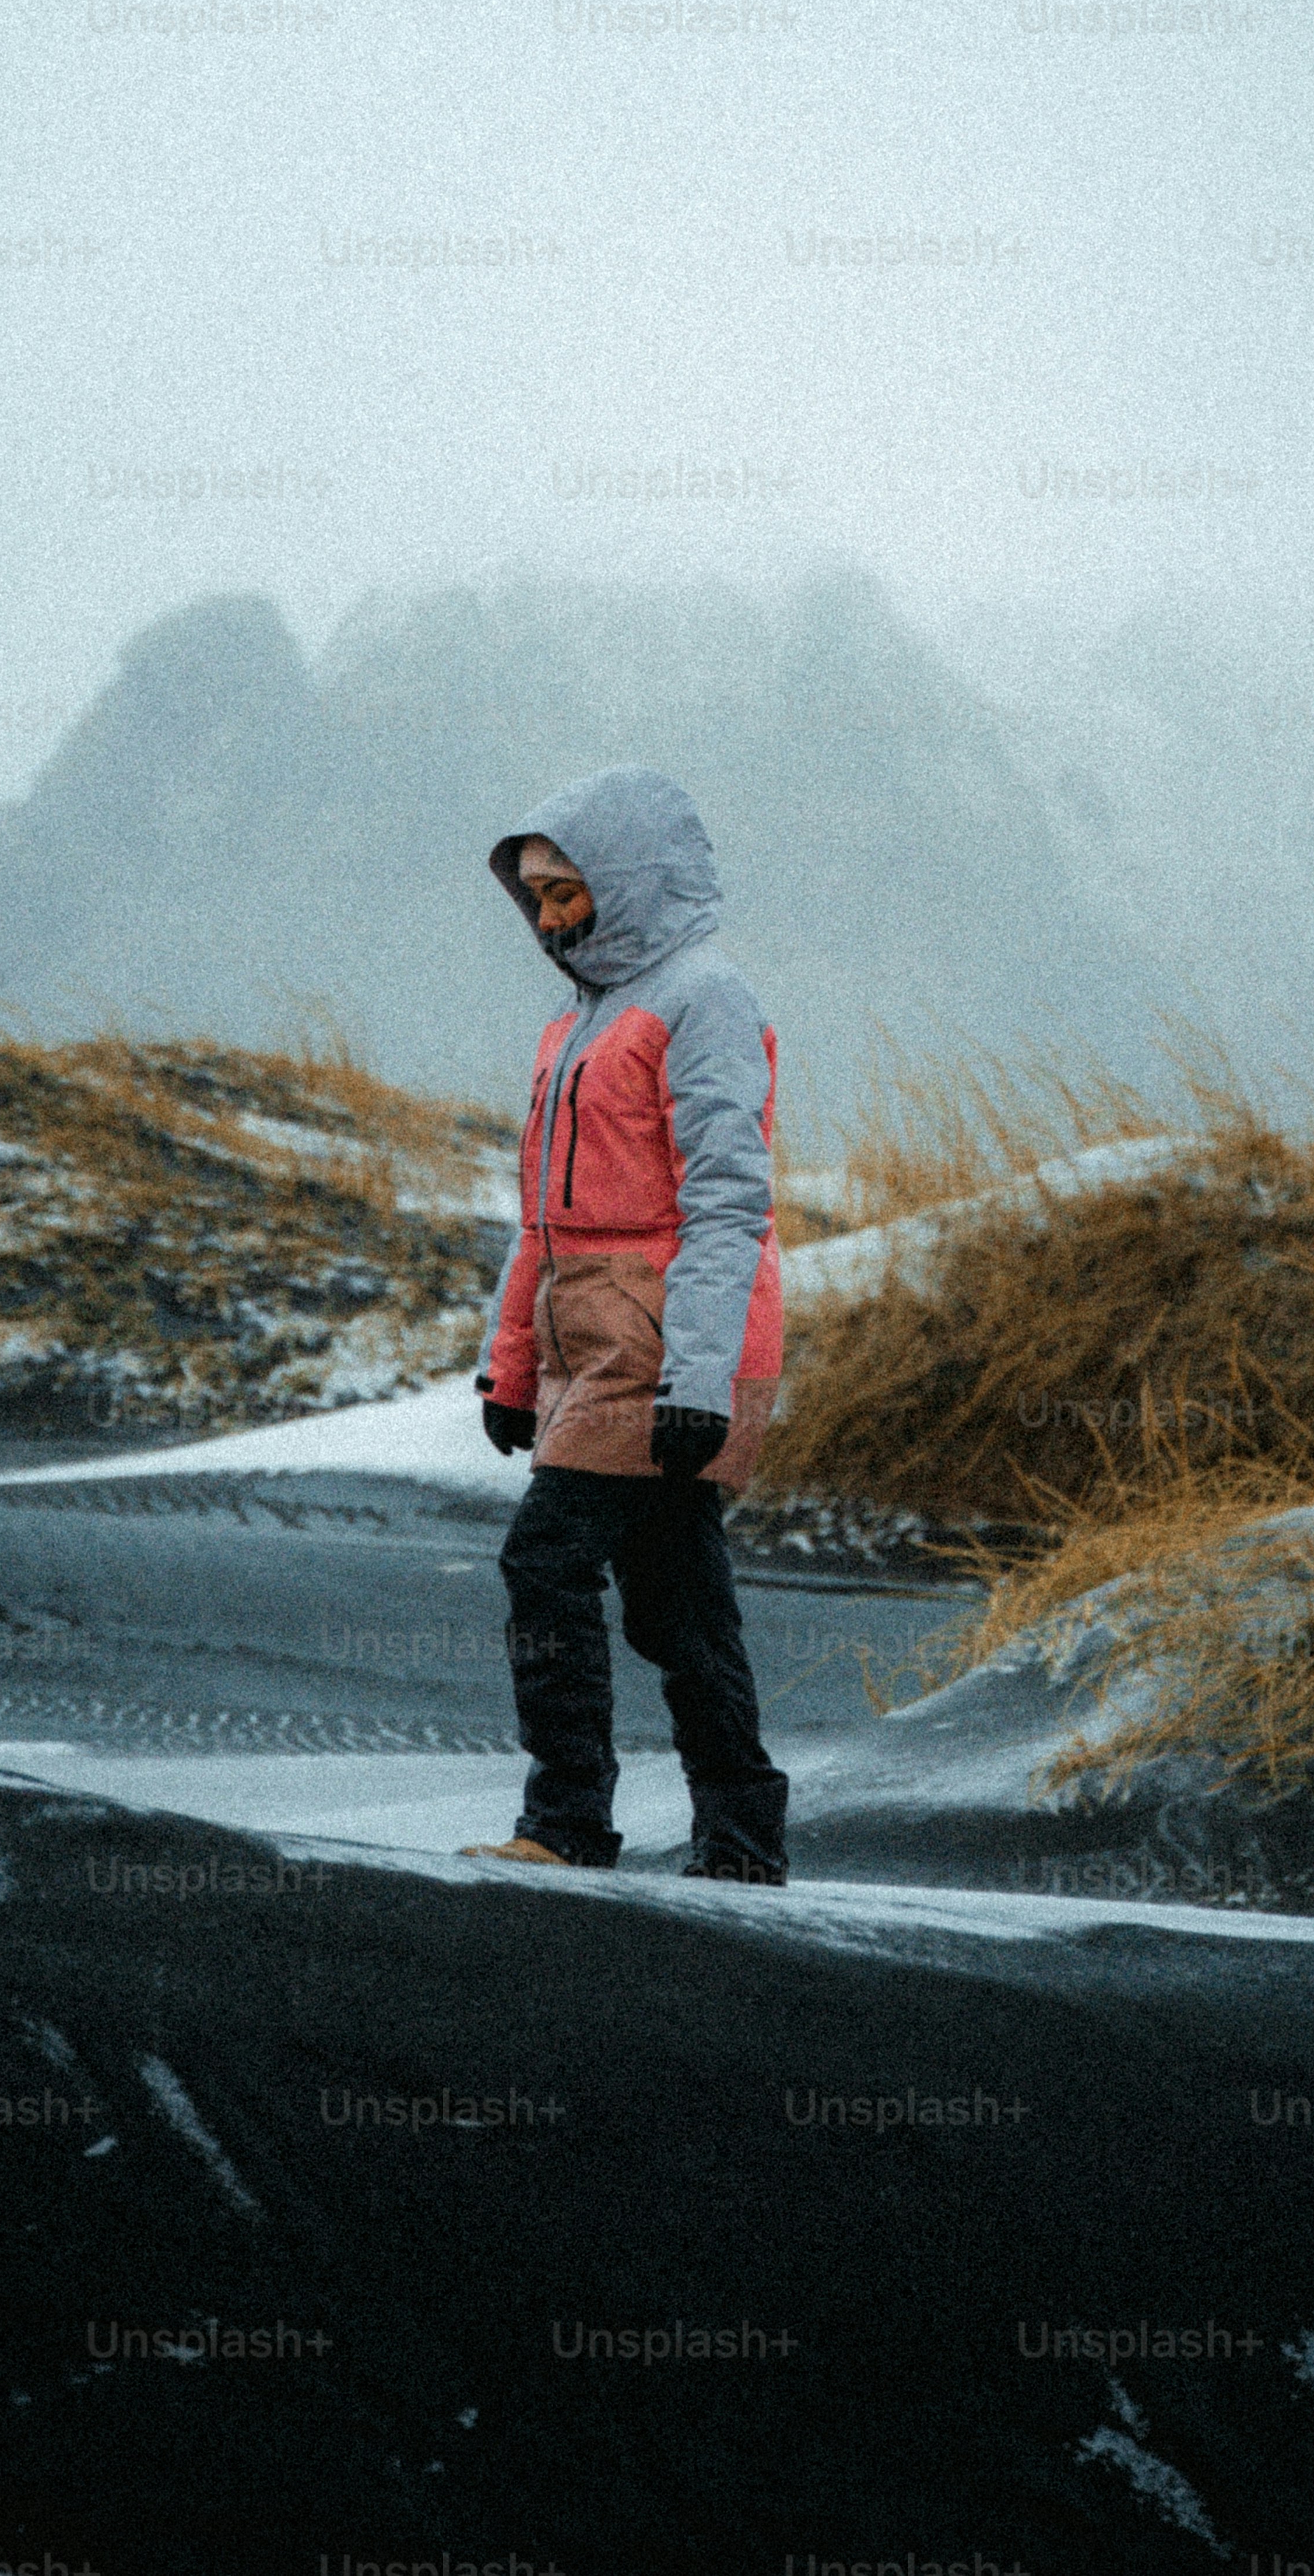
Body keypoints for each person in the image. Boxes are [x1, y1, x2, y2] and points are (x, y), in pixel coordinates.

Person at [462, 765, 791, 1886]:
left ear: (634, 880)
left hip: (664, 1344)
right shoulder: (573, 1024)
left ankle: (564, 1827)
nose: (551, 919)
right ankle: (743, 1847)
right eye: (539, 897)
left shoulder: (708, 998)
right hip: (591, 1341)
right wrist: (509, 1368)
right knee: (679, 1603)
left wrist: (697, 1377)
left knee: (545, 1559)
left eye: (570, 892)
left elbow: (728, 1201)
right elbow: (539, 1220)